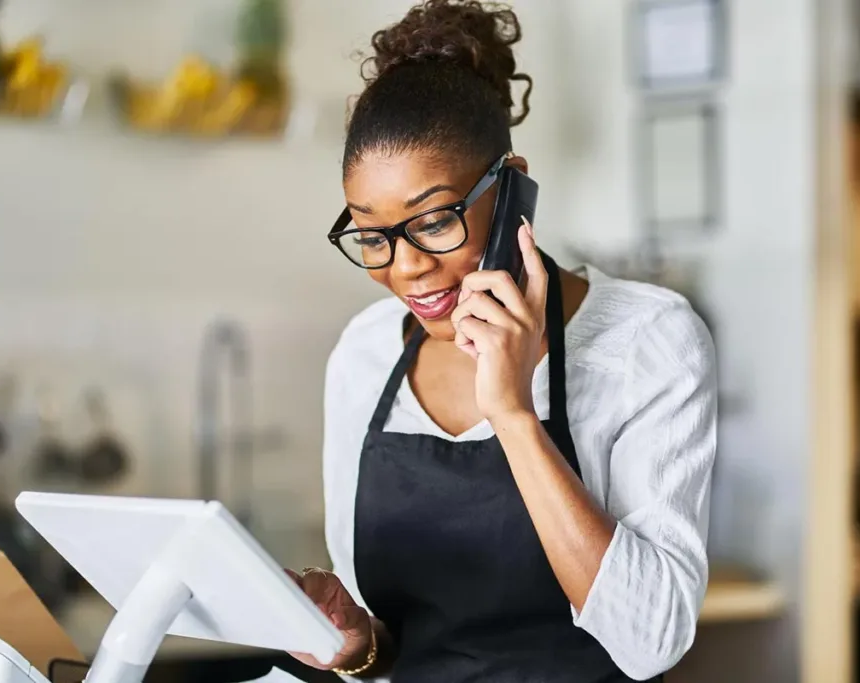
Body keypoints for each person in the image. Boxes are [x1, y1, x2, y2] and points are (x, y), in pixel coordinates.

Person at [286, 1, 718, 681]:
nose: (405, 268)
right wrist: (352, 643)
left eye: (433, 222)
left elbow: (650, 641)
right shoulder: (365, 354)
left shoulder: (647, 341)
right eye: (372, 236)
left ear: (512, 182)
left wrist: (514, 414)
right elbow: (391, 643)